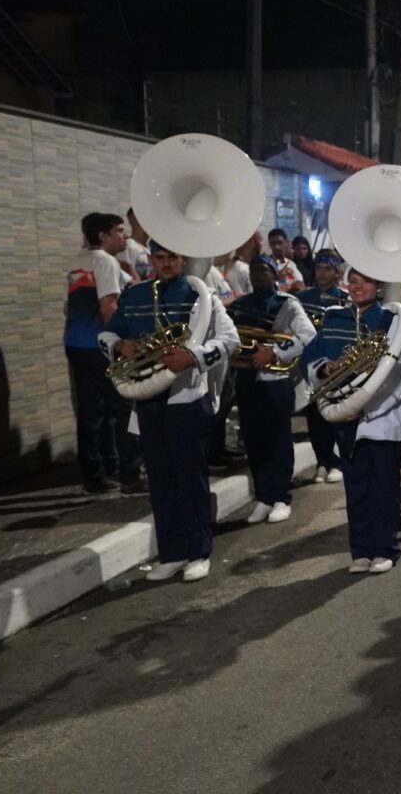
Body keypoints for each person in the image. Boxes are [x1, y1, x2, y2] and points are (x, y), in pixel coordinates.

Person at [101, 239, 239, 582]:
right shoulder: (134, 295)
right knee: (161, 481)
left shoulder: (201, 294)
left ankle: (199, 551)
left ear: (183, 258)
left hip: (186, 399)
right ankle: (172, 553)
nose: (166, 263)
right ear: (151, 259)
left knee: (191, 479)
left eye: (172, 257)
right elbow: (105, 333)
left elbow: (230, 339)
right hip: (148, 400)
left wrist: (193, 356)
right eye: (159, 257)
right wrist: (119, 344)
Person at [301, 266, 401, 576]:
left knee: (384, 488)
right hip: (346, 417)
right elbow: (309, 356)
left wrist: (362, 403)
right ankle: (361, 550)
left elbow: (398, 370)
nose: (358, 286)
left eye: (366, 280)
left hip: (381, 416)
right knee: (357, 489)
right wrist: (324, 368)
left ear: (378, 286)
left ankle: (385, 548)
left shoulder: (394, 319)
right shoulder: (334, 317)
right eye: (353, 280)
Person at [228, 256, 316, 524]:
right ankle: (264, 496)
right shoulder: (240, 305)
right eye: (254, 270)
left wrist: (274, 351)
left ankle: (281, 497)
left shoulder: (287, 304)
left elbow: (308, 335)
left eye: (264, 270)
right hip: (245, 378)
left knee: (278, 439)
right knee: (254, 441)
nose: (258, 275)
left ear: (275, 275)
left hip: (275, 379)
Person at [66, 212, 143, 494]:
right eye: (119, 231)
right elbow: (108, 307)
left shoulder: (77, 262)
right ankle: (130, 477)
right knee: (125, 408)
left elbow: (67, 308)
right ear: (103, 236)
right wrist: (121, 344)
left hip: (75, 344)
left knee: (90, 413)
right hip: (101, 347)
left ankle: (95, 478)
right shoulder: (106, 262)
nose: (125, 236)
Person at [296, 251, 349, 483]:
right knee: (314, 417)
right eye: (319, 268)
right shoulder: (302, 298)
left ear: (337, 273)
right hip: (312, 364)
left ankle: (336, 462)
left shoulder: (345, 299)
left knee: (335, 415)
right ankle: (322, 462)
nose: (322, 273)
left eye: (328, 269)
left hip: (337, 364)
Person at [265, 229, 305, 293]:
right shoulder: (265, 265)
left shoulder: (291, 264)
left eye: (280, 243)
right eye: (273, 243)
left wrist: (288, 287)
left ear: (286, 243)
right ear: (269, 244)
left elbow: (300, 285)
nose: (277, 247)